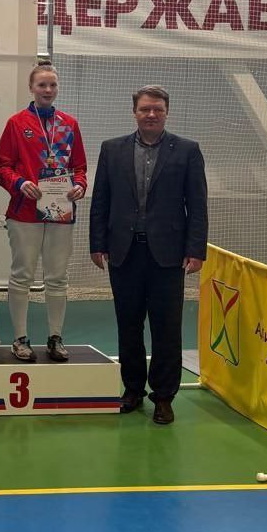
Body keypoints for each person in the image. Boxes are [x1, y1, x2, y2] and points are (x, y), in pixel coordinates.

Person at [89, 85, 208, 425]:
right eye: (145, 109)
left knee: (166, 328)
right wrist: (97, 243)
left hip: (168, 255)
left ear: (166, 112)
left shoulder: (187, 150)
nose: (151, 114)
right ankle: (132, 390)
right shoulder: (112, 149)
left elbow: (197, 205)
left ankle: (164, 396)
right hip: (123, 252)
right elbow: (101, 200)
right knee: (128, 325)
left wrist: (195, 250)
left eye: (157, 109)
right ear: (135, 113)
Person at [0, 61, 87, 363]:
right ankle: (20, 338)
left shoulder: (69, 124)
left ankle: (55, 337)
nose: (48, 90)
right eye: (42, 85)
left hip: (61, 212)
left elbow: (80, 167)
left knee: (57, 277)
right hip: (25, 213)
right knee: (22, 275)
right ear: (31, 88)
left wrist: (80, 186)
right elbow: (2, 166)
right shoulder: (16, 123)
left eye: (52, 85)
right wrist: (20, 183)